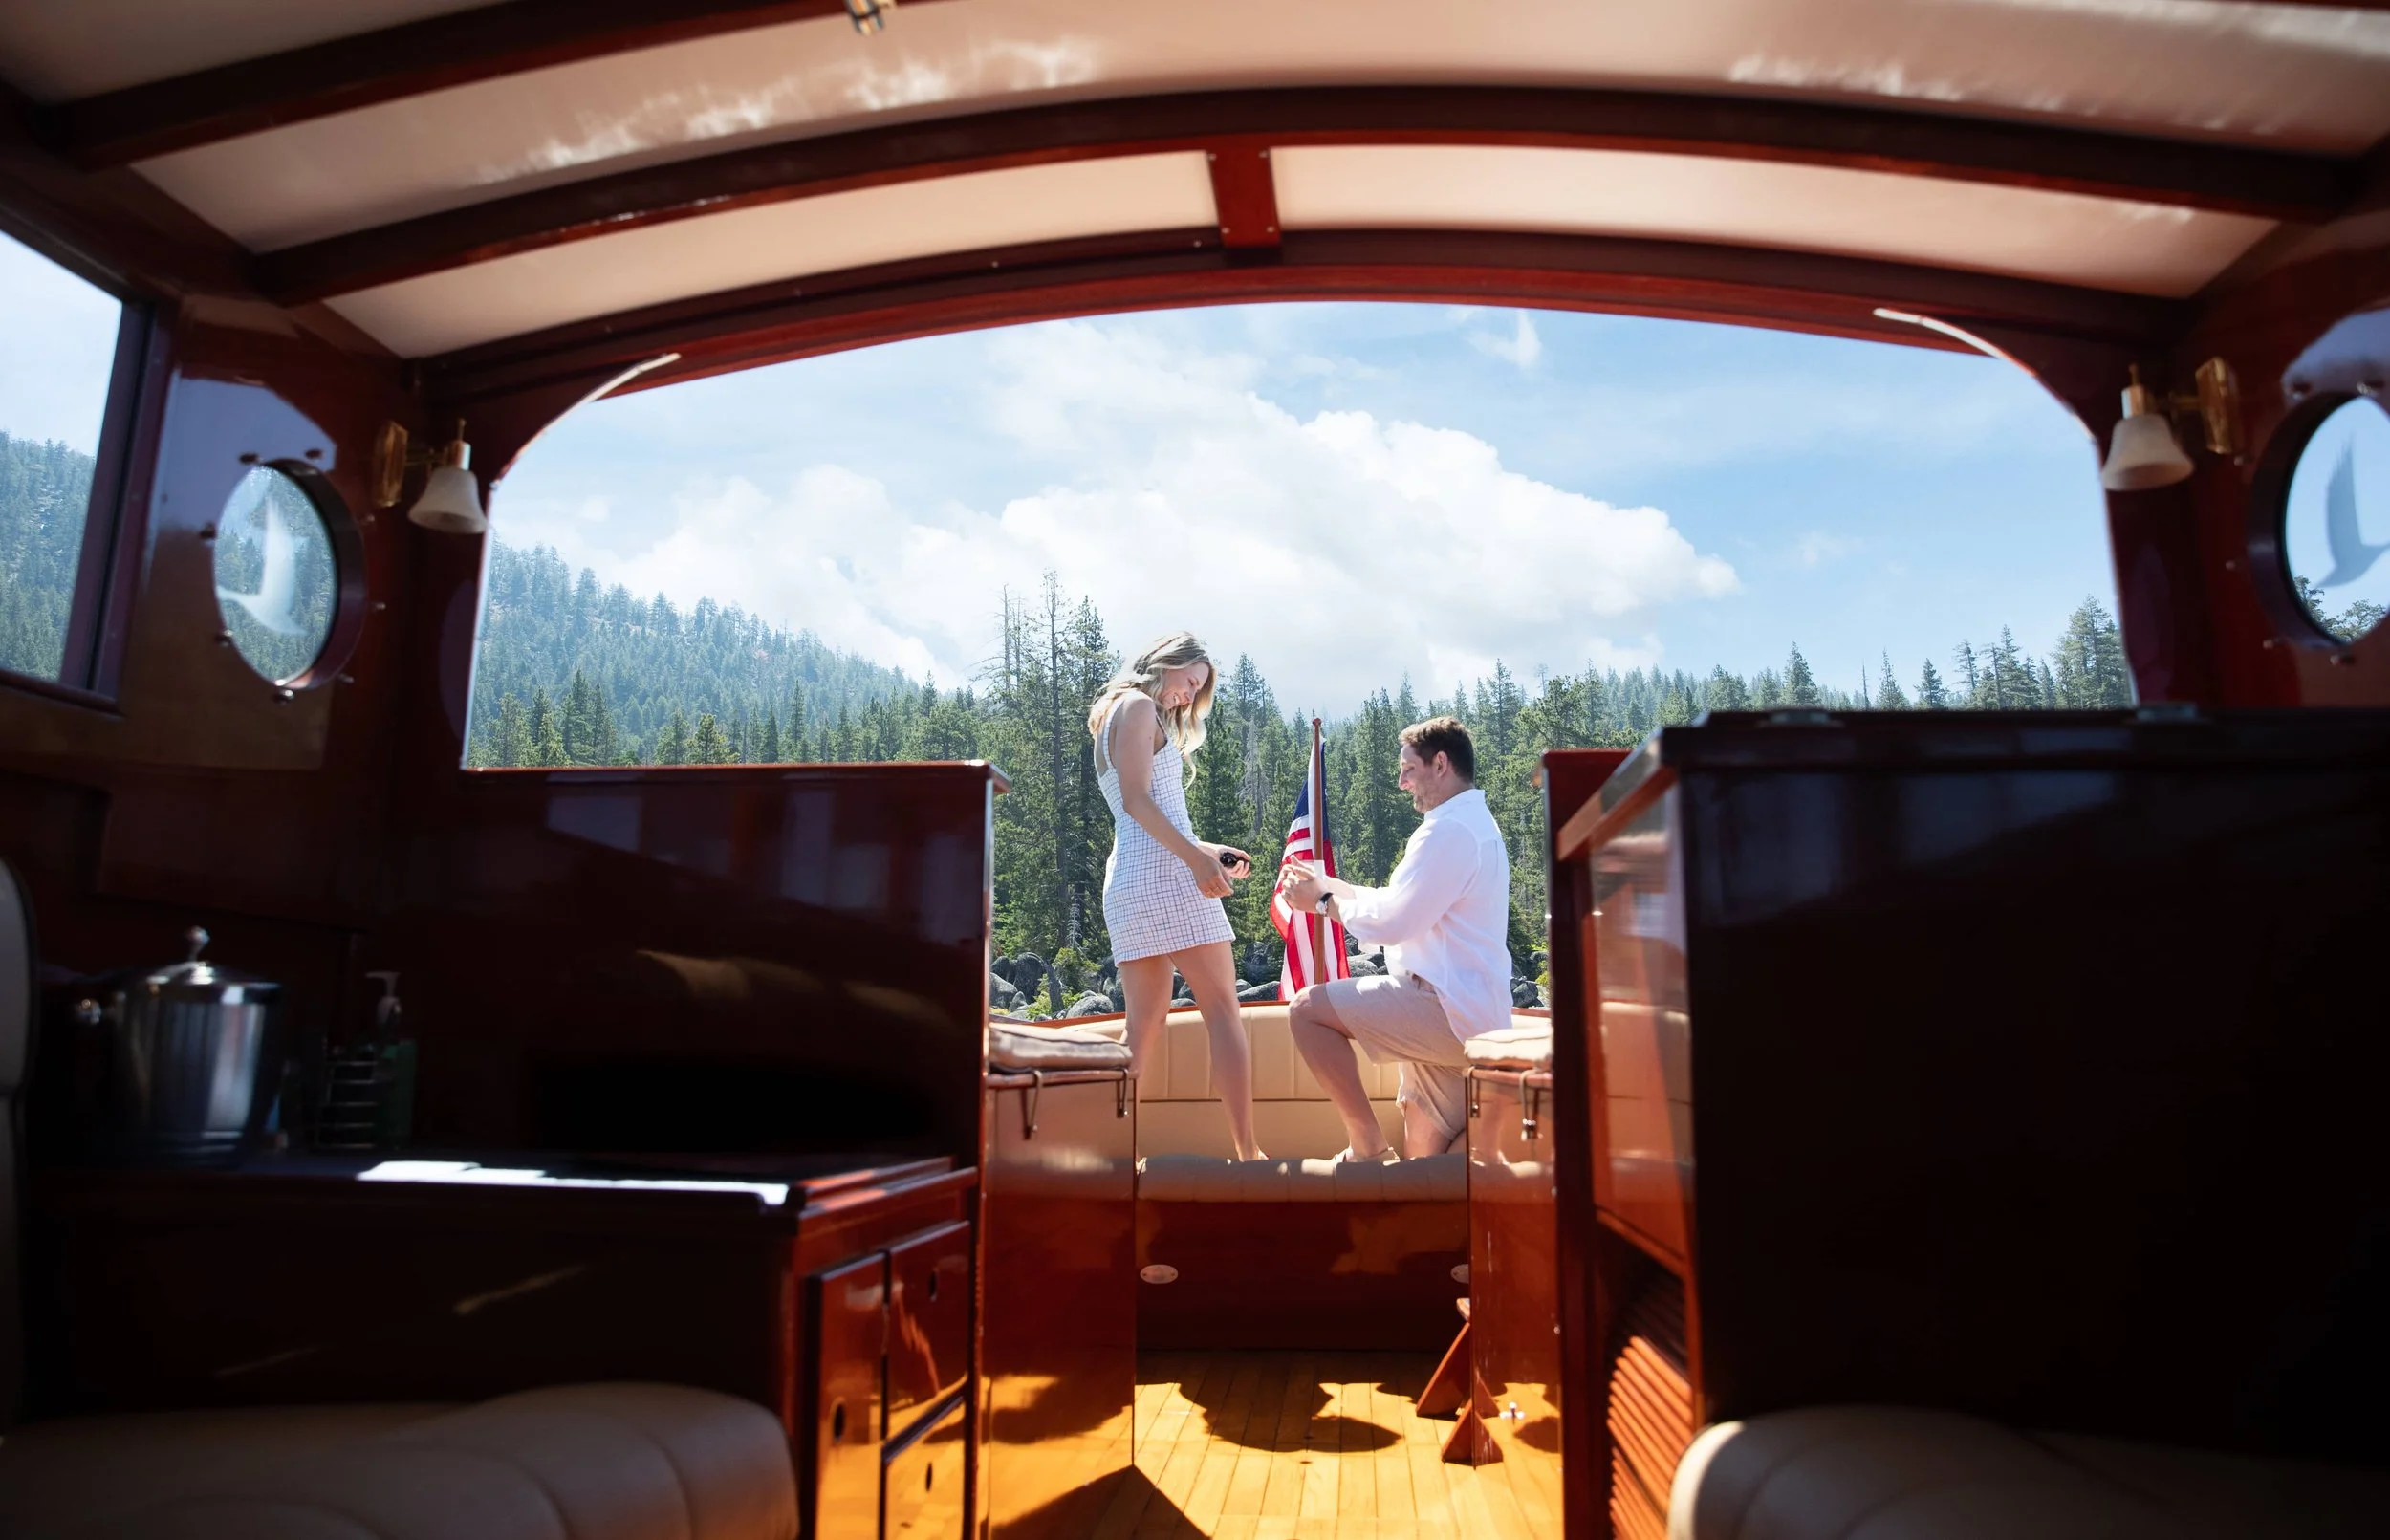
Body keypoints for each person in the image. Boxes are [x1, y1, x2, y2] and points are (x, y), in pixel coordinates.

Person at [1279, 716, 1512, 1160]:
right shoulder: (1472, 824)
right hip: (1467, 1012)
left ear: (1440, 763)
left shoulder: (1449, 830)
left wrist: (1324, 902)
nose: (1402, 782)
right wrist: (1330, 884)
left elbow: (1394, 925)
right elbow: (1399, 903)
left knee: (1306, 1011)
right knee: (1427, 1166)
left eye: (1408, 769)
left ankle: (1366, 1145)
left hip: (1443, 1009)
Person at [1090, 632, 1265, 1161]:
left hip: (1128, 880)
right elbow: (1141, 801)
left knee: (1140, 1029)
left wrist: (1208, 848)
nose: (1189, 696)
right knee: (1223, 1012)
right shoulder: (1140, 706)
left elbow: (1134, 814)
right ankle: (1248, 1153)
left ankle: (1112, 1155)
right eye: (1190, 682)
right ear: (1167, 663)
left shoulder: (1113, 715)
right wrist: (1195, 861)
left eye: (1198, 690)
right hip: (1166, 876)